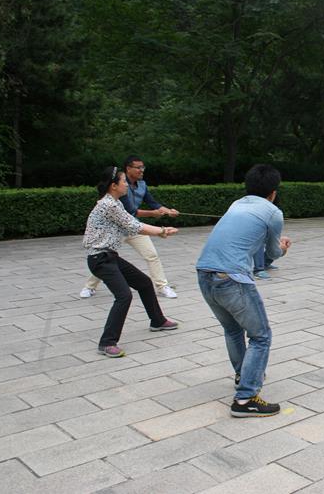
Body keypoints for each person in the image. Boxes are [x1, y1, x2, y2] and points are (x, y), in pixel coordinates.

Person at [196, 164, 291, 418]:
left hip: (204, 273)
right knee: (261, 336)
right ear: (273, 192)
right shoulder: (273, 212)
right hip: (232, 278)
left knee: (233, 330)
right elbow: (272, 253)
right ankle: (246, 398)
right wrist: (283, 248)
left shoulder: (236, 204)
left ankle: (243, 376)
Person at [83, 167, 179, 358]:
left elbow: (131, 223)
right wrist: (161, 231)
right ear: (113, 186)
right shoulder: (108, 205)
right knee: (124, 296)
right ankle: (107, 342)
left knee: (144, 283)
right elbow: (134, 225)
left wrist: (160, 229)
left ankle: (157, 321)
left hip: (109, 256)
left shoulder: (115, 202)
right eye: (123, 181)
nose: (126, 185)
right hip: (100, 259)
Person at [80, 155, 180, 299]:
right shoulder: (119, 187)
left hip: (134, 227)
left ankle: (162, 286)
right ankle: (89, 287)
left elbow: (152, 203)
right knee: (105, 257)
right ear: (128, 168)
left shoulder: (141, 185)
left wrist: (168, 211)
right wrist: (158, 224)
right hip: (119, 229)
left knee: (151, 255)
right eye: (138, 167)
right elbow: (131, 211)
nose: (141, 170)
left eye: (142, 167)